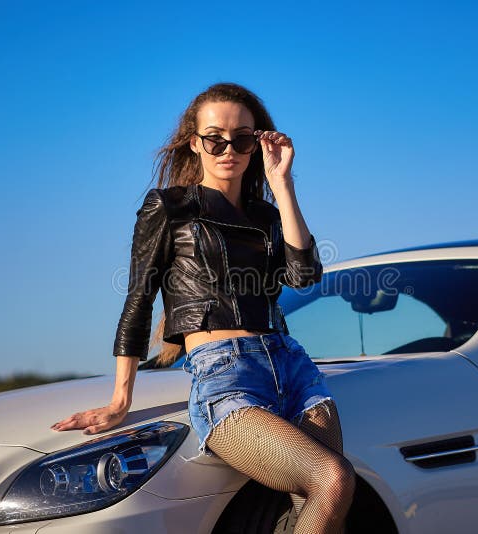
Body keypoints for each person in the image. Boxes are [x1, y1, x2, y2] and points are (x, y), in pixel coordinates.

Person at [51, 82, 355, 533]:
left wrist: (282, 184)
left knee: (321, 507)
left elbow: (304, 277)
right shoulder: (167, 208)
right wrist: (120, 400)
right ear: (195, 142)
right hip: (225, 373)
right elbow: (139, 298)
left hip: (292, 367)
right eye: (215, 138)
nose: (227, 148)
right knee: (331, 478)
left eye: (243, 139)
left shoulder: (268, 216)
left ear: (257, 144)